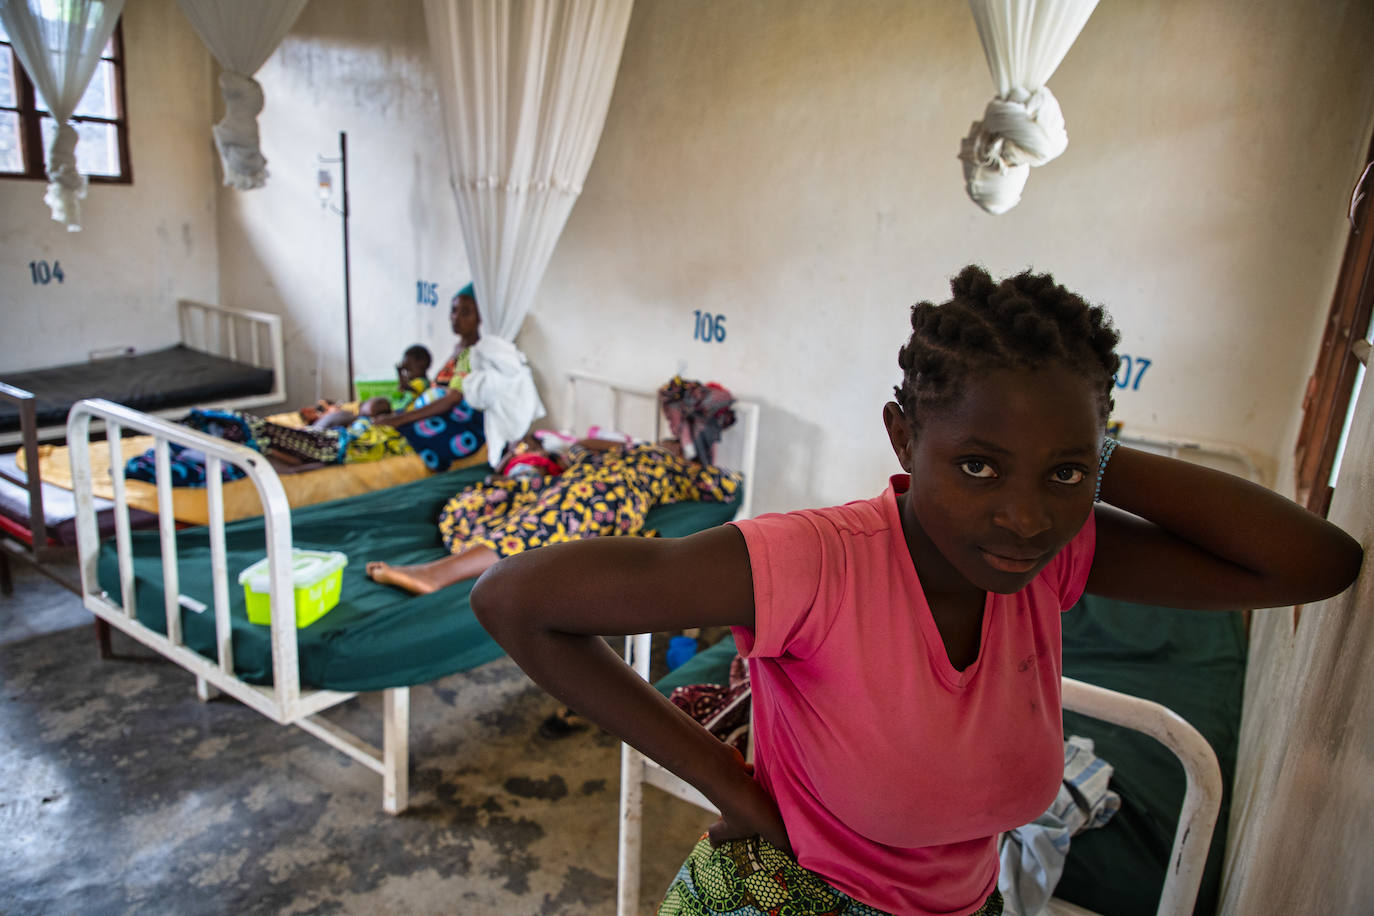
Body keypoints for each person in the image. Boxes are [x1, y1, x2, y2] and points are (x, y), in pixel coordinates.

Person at [467, 266, 1364, 916]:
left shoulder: (1056, 557)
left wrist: (1096, 452)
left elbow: (1313, 565)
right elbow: (514, 598)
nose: (1022, 518)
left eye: (1062, 473)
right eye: (977, 465)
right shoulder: (815, 564)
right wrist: (736, 790)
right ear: (903, 439)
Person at [365, 437, 741, 595]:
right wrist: (621, 444)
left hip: (610, 497)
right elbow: (576, 447)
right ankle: (483, 551)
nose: (666, 443)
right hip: (569, 485)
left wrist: (684, 461)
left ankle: (438, 573)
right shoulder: (614, 453)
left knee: (551, 518)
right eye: (663, 440)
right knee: (480, 503)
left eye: (673, 444)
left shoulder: (674, 469)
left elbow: (726, 486)